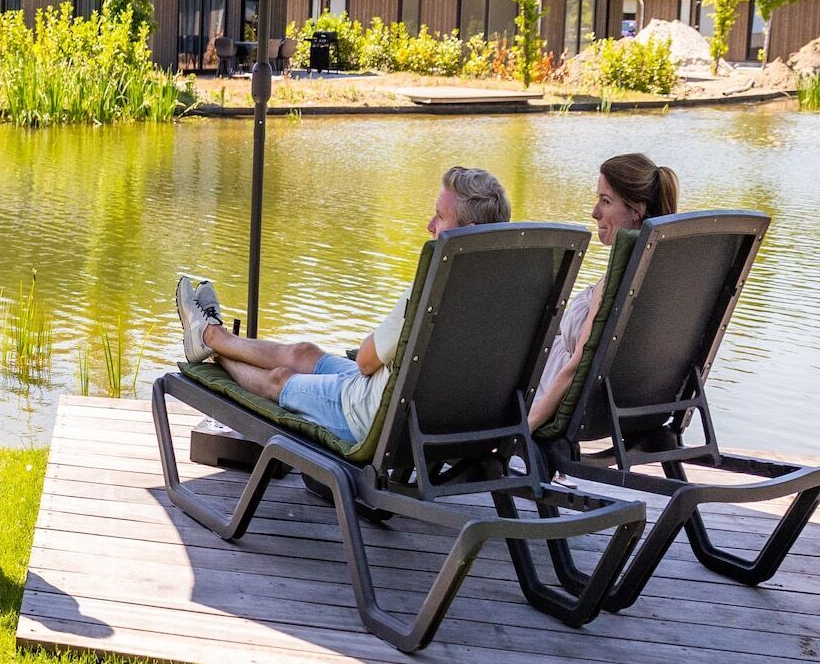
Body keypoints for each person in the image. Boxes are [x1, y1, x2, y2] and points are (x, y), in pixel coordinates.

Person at [174, 166, 512, 450]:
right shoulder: (511, 295)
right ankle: (213, 337)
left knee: (280, 379)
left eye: (439, 216)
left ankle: (213, 347)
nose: (429, 226)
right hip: (421, 410)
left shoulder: (431, 292)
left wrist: (377, 348)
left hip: (369, 416)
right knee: (305, 353)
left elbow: (365, 362)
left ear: (468, 235)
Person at [527, 153, 679, 433]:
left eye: (606, 201)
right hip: (633, 410)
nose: (595, 212)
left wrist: (527, 425)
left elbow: (576, 366)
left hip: (549, 399)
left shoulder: (618, 283)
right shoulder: (666, 277)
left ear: (637, 210)